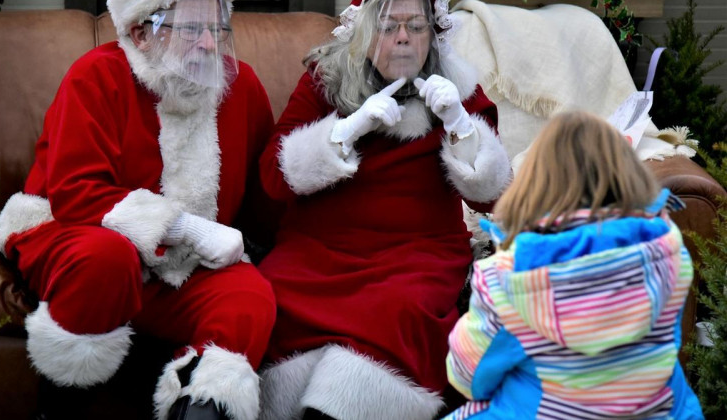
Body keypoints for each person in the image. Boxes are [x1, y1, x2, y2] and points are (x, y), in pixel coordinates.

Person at [0, 1, 277, 419]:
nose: (210, 44)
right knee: (108, 258)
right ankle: (59, 409)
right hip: (69, 232)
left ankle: (197, 409)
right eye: (193, 30)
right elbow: (76, 193)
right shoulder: (96, 75)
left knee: (250, 297)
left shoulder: (241, 86)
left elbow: (264, 201)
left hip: (176, 268)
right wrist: (190, 229)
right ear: (142, 34)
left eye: (218, 29)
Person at [256, 0, 511, 419]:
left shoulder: (457, 88)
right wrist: (345, 131)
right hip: (317, 250)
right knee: (268, 294)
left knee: (399, 308)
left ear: (435, 32)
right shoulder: (326, 79)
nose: (404, 37)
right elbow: (272, 176)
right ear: (365, 32)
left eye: (416, 26)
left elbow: (493, 196)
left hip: (418, 254)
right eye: (389, 25)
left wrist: (460, 123)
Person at [443, 111, 704, 420]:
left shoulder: (512, 277)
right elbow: (665, 351)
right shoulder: (664, 255)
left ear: (536, 184)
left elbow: (468, 375)